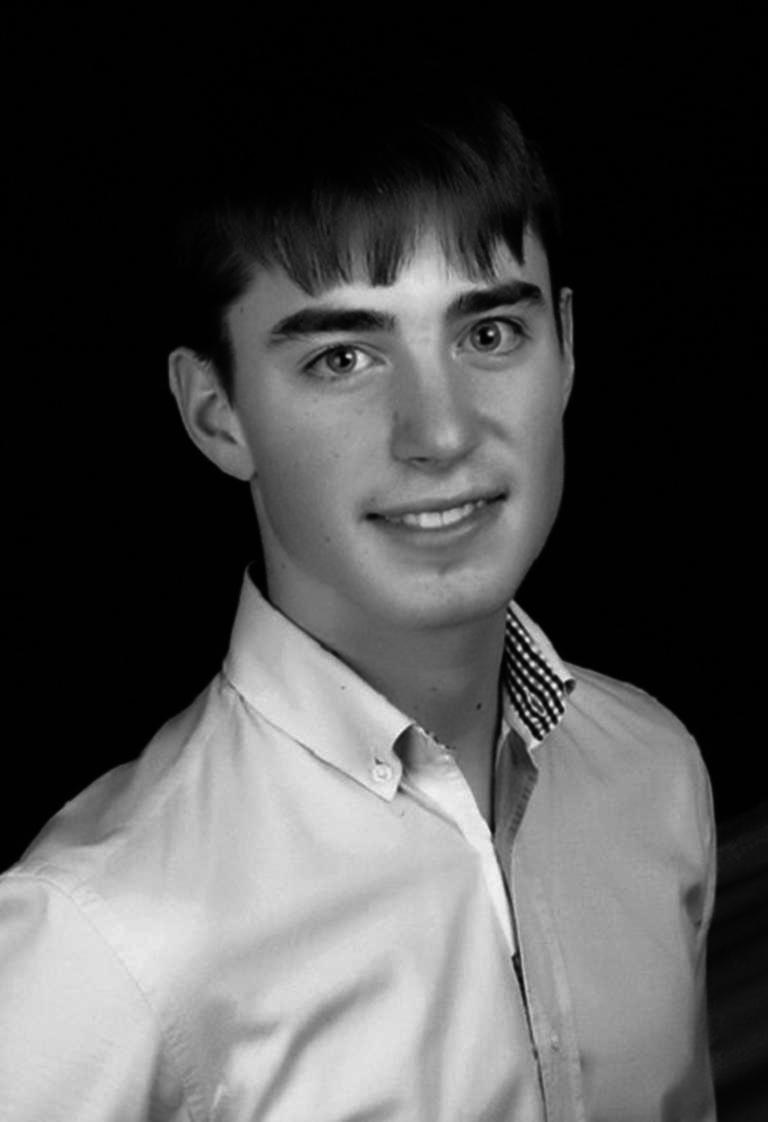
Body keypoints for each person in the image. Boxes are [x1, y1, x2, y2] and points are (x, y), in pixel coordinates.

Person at [0, 70, 716, 1121]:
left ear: (566, 350)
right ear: (216, 413)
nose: (442, 432)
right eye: (343, 357)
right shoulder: (93, 937)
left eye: (487, 335)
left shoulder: (654, 772)